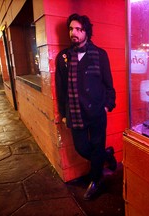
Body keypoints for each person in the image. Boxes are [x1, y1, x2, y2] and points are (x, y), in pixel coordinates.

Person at [55, 13, 117, 200]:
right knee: (82, 148)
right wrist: (63, 113)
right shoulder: (63, 57)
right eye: (71, 29)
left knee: (97, 145)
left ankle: (96, 181)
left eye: (79, 29)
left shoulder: (100, 54)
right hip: (75, 111)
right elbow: (61, 88)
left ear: (86, 32)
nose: (74, 33)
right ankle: (105, 156)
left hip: (97, 111)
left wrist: (107, 105)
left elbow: (109, 84)